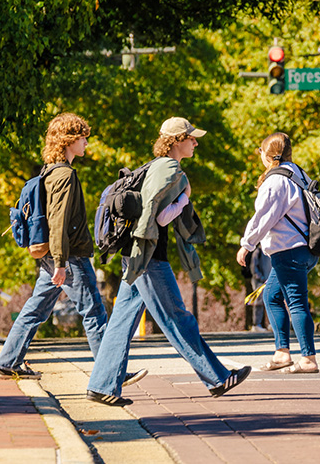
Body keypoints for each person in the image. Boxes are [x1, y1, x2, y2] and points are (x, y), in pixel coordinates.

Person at [86, 117, 249, 406]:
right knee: (177, 318)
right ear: (176, 141)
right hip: (150, 259)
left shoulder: (153, 166)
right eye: (191, 138)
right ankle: (218, 378)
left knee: (121, 323)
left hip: (135, 256)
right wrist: (184, 199)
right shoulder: (171, 169)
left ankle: (102, 386)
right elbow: (159, 217)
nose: (195, 143)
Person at [0, 114, 116, 378]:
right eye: (83, 137)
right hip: (69, 256)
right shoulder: (64, 175)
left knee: (36, 309)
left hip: (55, 255)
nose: (86, 142)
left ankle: (7, 361)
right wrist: (61, 262)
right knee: (94, 311)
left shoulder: (48, 172)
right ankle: (109, 375)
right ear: (69, 140)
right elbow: (58, 221)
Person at [236, 132, 320, 374]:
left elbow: (264, 216)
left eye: (261, 152)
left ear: (267, 155)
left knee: (296, 303)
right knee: (272, 297)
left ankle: (308, 359)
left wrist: (247, 244)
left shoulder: (277, 182)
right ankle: (282, 353)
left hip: (289, 250)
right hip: (305, 249)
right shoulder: (298, 174)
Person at [248, 249, 271, 331]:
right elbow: (253, 267)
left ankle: (270, 324)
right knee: (259, 302)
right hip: (260, 281)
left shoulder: (271, 249)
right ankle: (256, 324)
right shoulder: (258, 251)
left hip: (268, 280)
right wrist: (261, 278)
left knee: (271, 301)